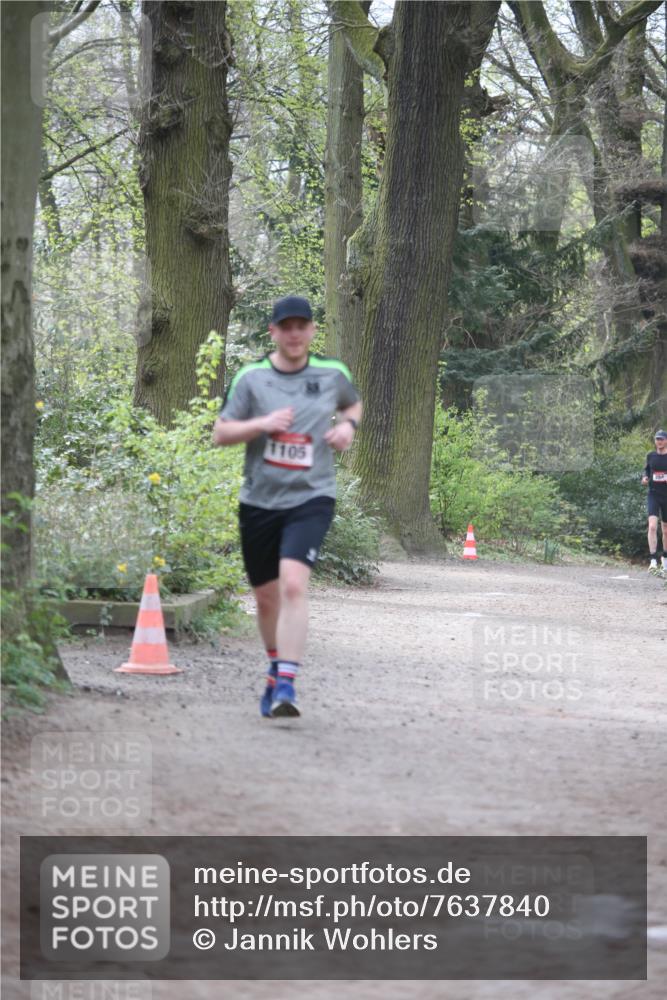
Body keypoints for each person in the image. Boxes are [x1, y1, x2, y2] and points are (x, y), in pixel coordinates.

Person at [212, 295, 363, 717]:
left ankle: (287, 687)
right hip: (259, 501)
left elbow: (352, 403)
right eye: (286, 326)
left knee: (294, 585)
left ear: (313, 331)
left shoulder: (332, 375)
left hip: (311, 497)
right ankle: (275, 668)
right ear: (273, 333)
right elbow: (220, 433)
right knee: (266, 599)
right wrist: (262, 424)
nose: (295, 333)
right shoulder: (252, 379)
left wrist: (347, 427)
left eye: (303, 326)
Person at [641, 429, 667, 574]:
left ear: (666, 441)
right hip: (654, 495)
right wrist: (645, 478)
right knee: (652, 527)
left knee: (665, 530)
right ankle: (653, 560)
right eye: (657, 439)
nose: (659, 441)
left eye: (662, 439)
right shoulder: (651, 456)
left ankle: (665, 559)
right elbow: (646, 471)